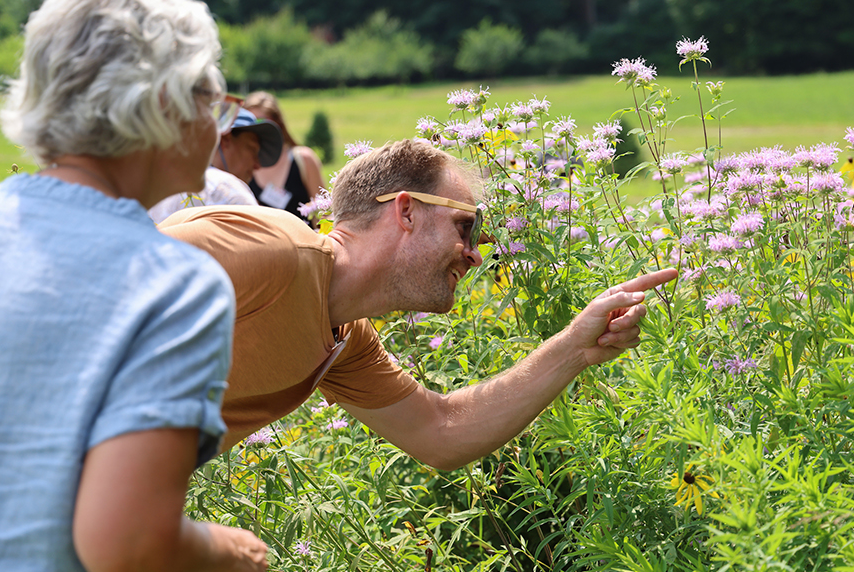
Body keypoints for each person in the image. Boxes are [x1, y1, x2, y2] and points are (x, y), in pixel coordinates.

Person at [0, 0, 267, 572]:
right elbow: (130, 546)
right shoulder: (173, 285)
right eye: (210, 97)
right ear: (163, 102)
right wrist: (233, 552)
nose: (218, 123)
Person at [158, 138, 680, 468]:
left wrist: (574, 349)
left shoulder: (344, 339)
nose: (475, 256)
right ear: (405, 211)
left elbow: (440, 432)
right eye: (465, 226)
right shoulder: (271, 251)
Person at [145, 107, 267, 223]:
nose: (257, 165)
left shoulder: (158, 186)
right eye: (252, 149)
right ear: (225, 140)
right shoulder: (226, 189)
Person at [241, 90, 326, 222]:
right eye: (248, 122)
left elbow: (324, 213)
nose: (255, 128)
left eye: (262, 121)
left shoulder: (303, 159)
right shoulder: (240, 164)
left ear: (278, 124)